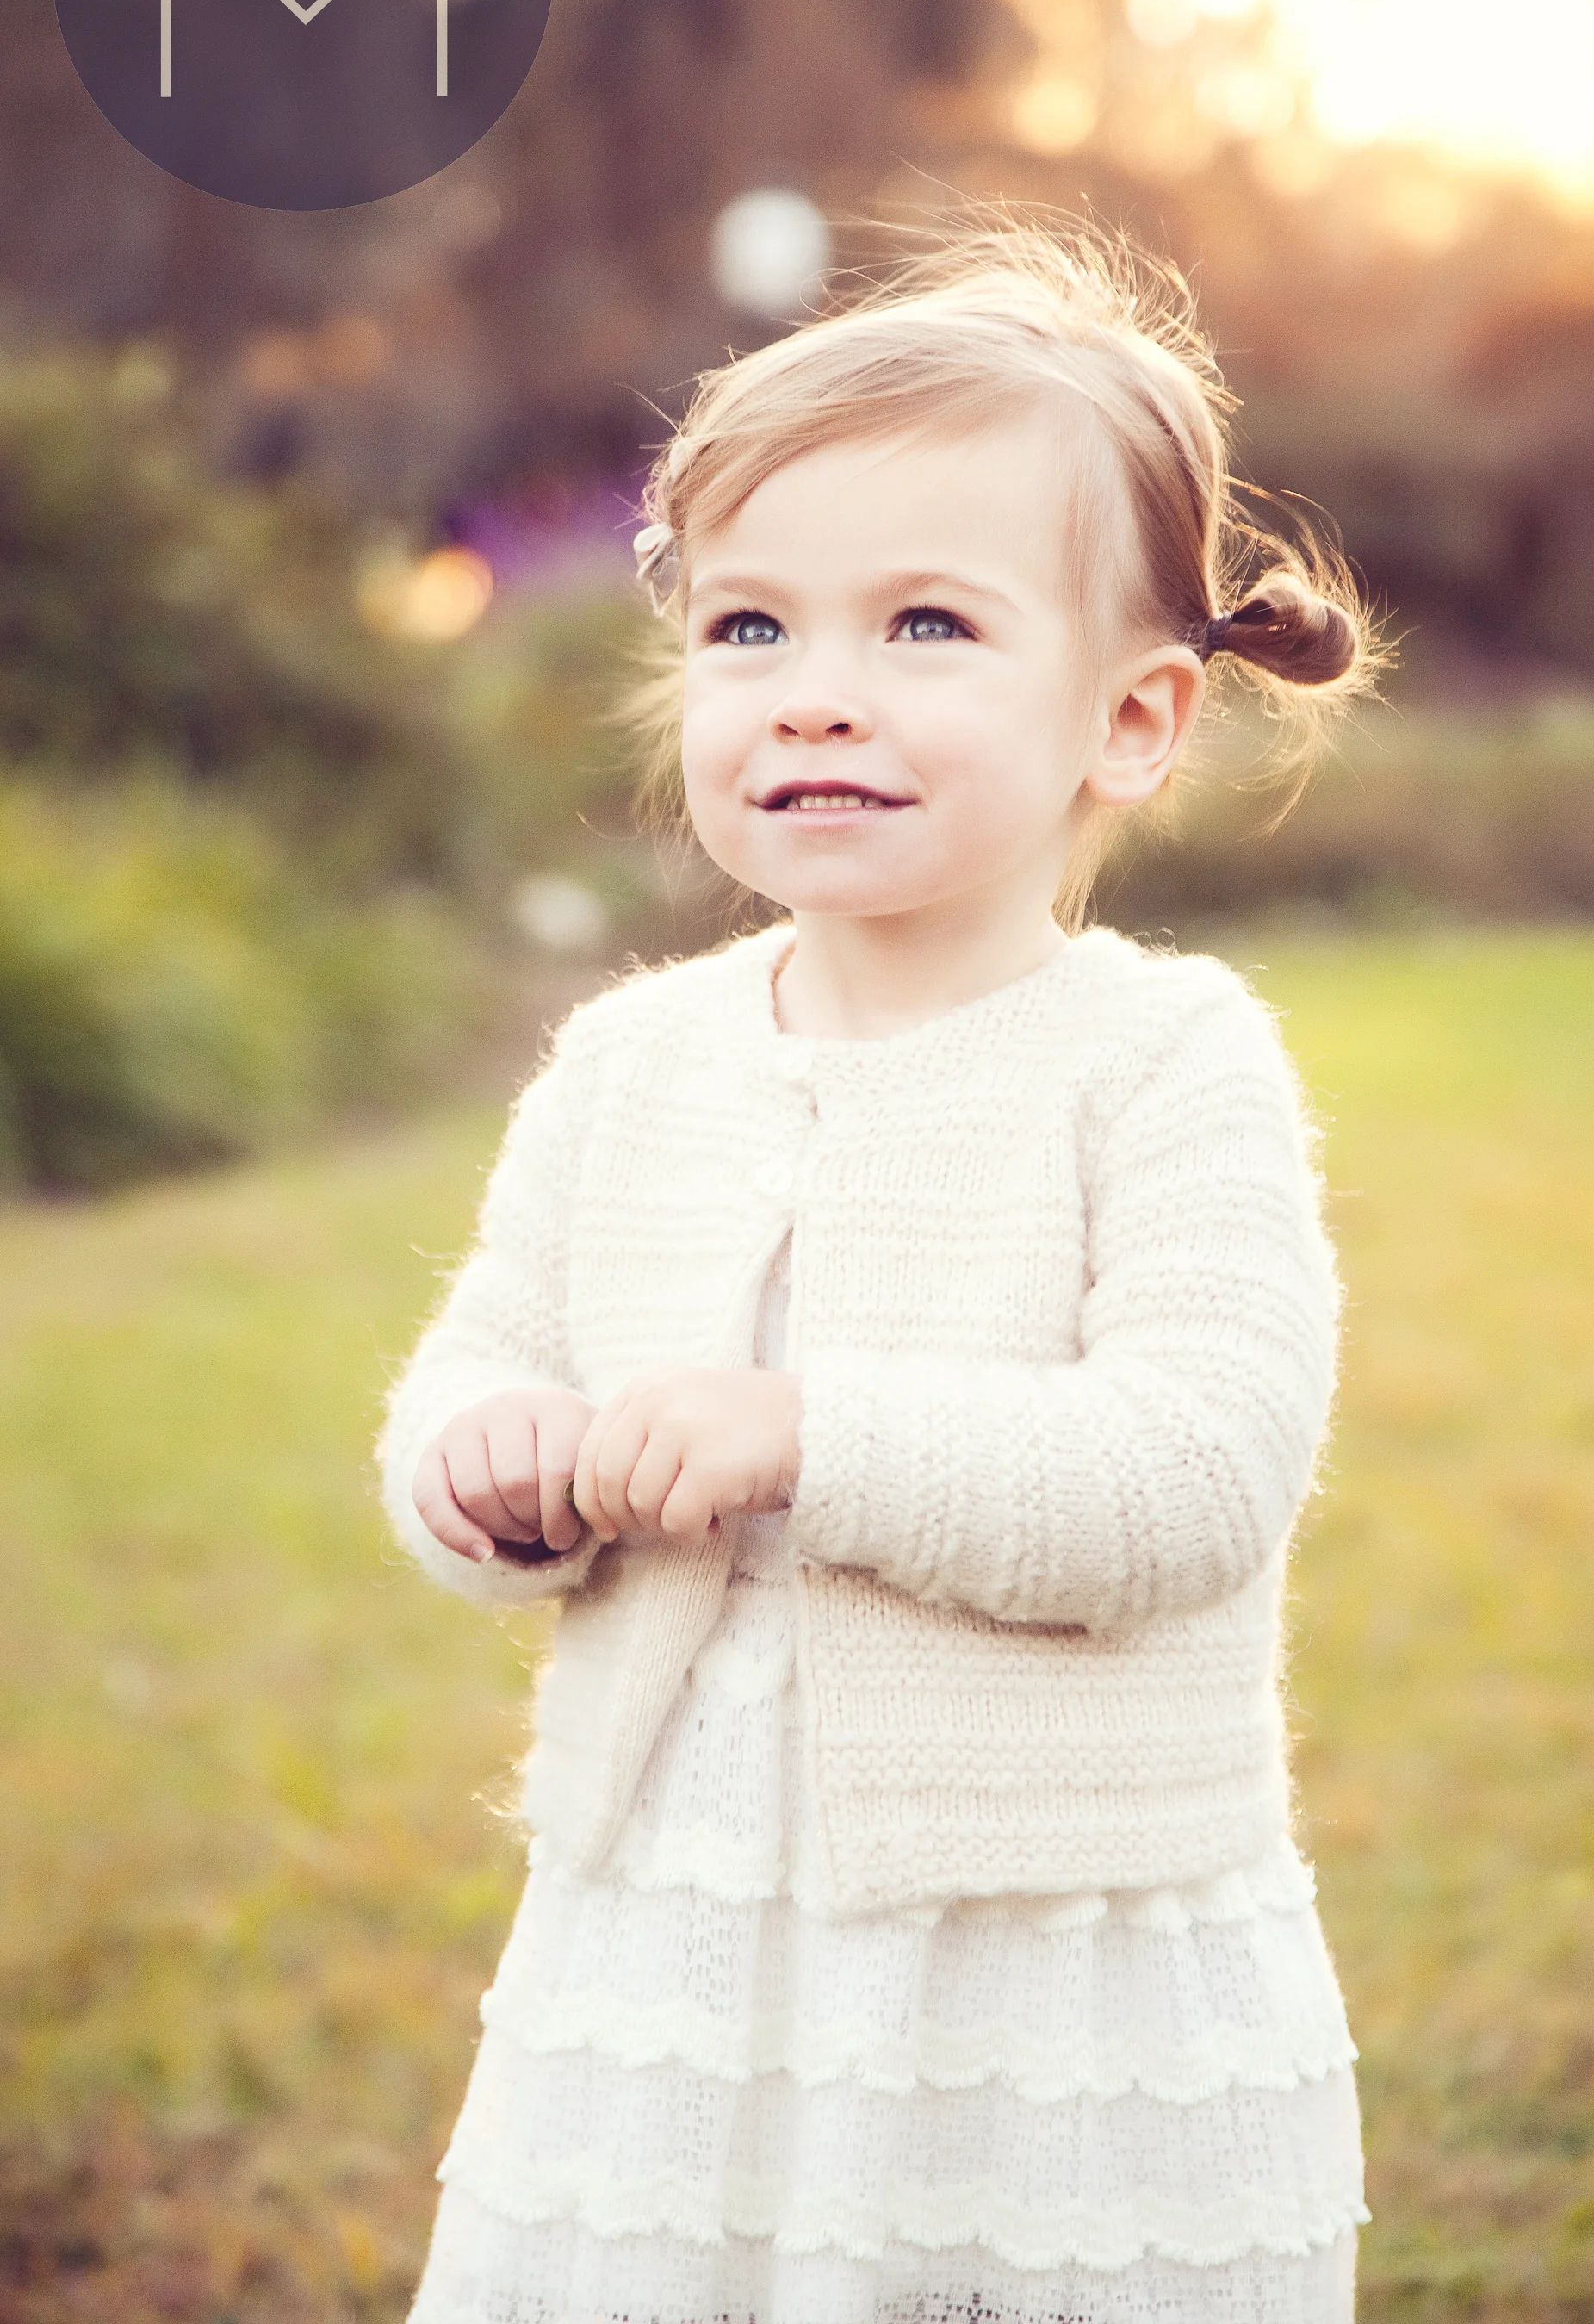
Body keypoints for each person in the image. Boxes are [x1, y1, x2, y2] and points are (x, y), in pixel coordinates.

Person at [379, 215, 1389, 2324]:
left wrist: (800, 1438)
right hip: (673, 1921)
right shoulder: (633, 1059)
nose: (814, 693)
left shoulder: (1160, 1061)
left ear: (1131, 719)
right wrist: (485, 1465)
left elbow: (1189, 1477)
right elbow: (492, 1348)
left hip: (1037, 1959)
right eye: (749, 627)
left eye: (925, 625)